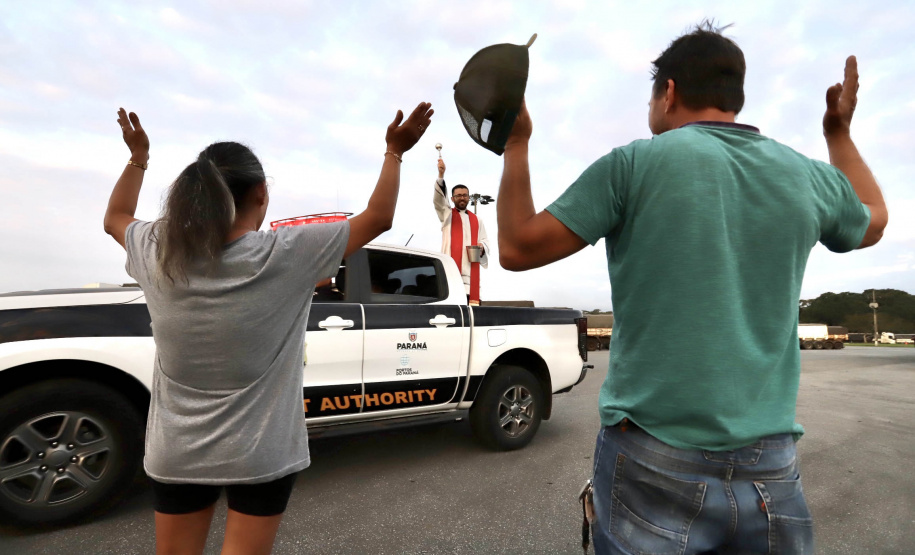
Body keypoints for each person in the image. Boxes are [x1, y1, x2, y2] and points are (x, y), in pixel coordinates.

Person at [496, 23, 886, 554]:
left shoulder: (633, 164)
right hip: (770, 461)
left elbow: (518, 247)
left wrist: (517, 144)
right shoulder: (806, 176)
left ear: (670, 92)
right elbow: (875, 220)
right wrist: (838, 135)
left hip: (654, 453)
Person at [103, 102, 433, 554]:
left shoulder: (156, 248)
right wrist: (395, 152)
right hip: (262, 452)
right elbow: (378, 217)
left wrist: (137, 157)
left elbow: (114, 217)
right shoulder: (286, 254)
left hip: (176, 451)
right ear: (261, 193)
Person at [433, 158, 490, 303]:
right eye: (458, 196)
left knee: (472, 319)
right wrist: (441, 176)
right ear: (452, 199)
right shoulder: (447, 215)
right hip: (450, 276)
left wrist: (482, 247)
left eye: (465, 195)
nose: (462, 198)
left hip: (471, 280)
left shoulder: (477, 220)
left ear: (469, 197)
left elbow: (485, 241)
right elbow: (439, 201)